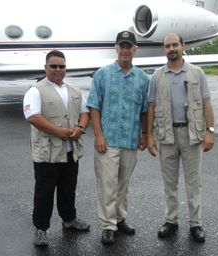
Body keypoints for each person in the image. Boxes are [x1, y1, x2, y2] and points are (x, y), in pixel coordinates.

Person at [146, 33, 214, 243]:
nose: (171, 48)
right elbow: (151, 106)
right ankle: (171, 221)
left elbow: (206, 103)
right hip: (167, 135)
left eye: (175, 44)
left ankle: (196, 224)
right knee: (170, 182)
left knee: (193, 182)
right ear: (164, 49)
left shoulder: (196, 73)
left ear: (183, 46)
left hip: (191, 134)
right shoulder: (157, 76)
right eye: (167, 45)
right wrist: (149, 135)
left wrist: (210, 131)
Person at [86, 31, 149, 245]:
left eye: (129, 46)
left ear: (135, 50)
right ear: (116, 48)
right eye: (121, 45)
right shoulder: (102, 74)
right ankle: (108, 225)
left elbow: (144, 110)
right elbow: (94, 106)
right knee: (107, 184)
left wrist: (144, 134)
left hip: (130, 141)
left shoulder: (142, 78)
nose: (125, 50)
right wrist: (99, 136)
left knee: (123, 184)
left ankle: (120, 218)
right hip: (108, 141)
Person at [23, 50, 90, 246]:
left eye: (62, 66)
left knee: (68, 189)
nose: (58, 70)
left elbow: (85, 112)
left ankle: (69, 220)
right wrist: (59, 131)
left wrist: (80, 127)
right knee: (44, 193)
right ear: (45, 68)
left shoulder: (75, 90)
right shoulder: (36, 90)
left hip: (71, 151)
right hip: (47, 154)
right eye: (54, 66)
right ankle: (41, 229)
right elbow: (33, 117)